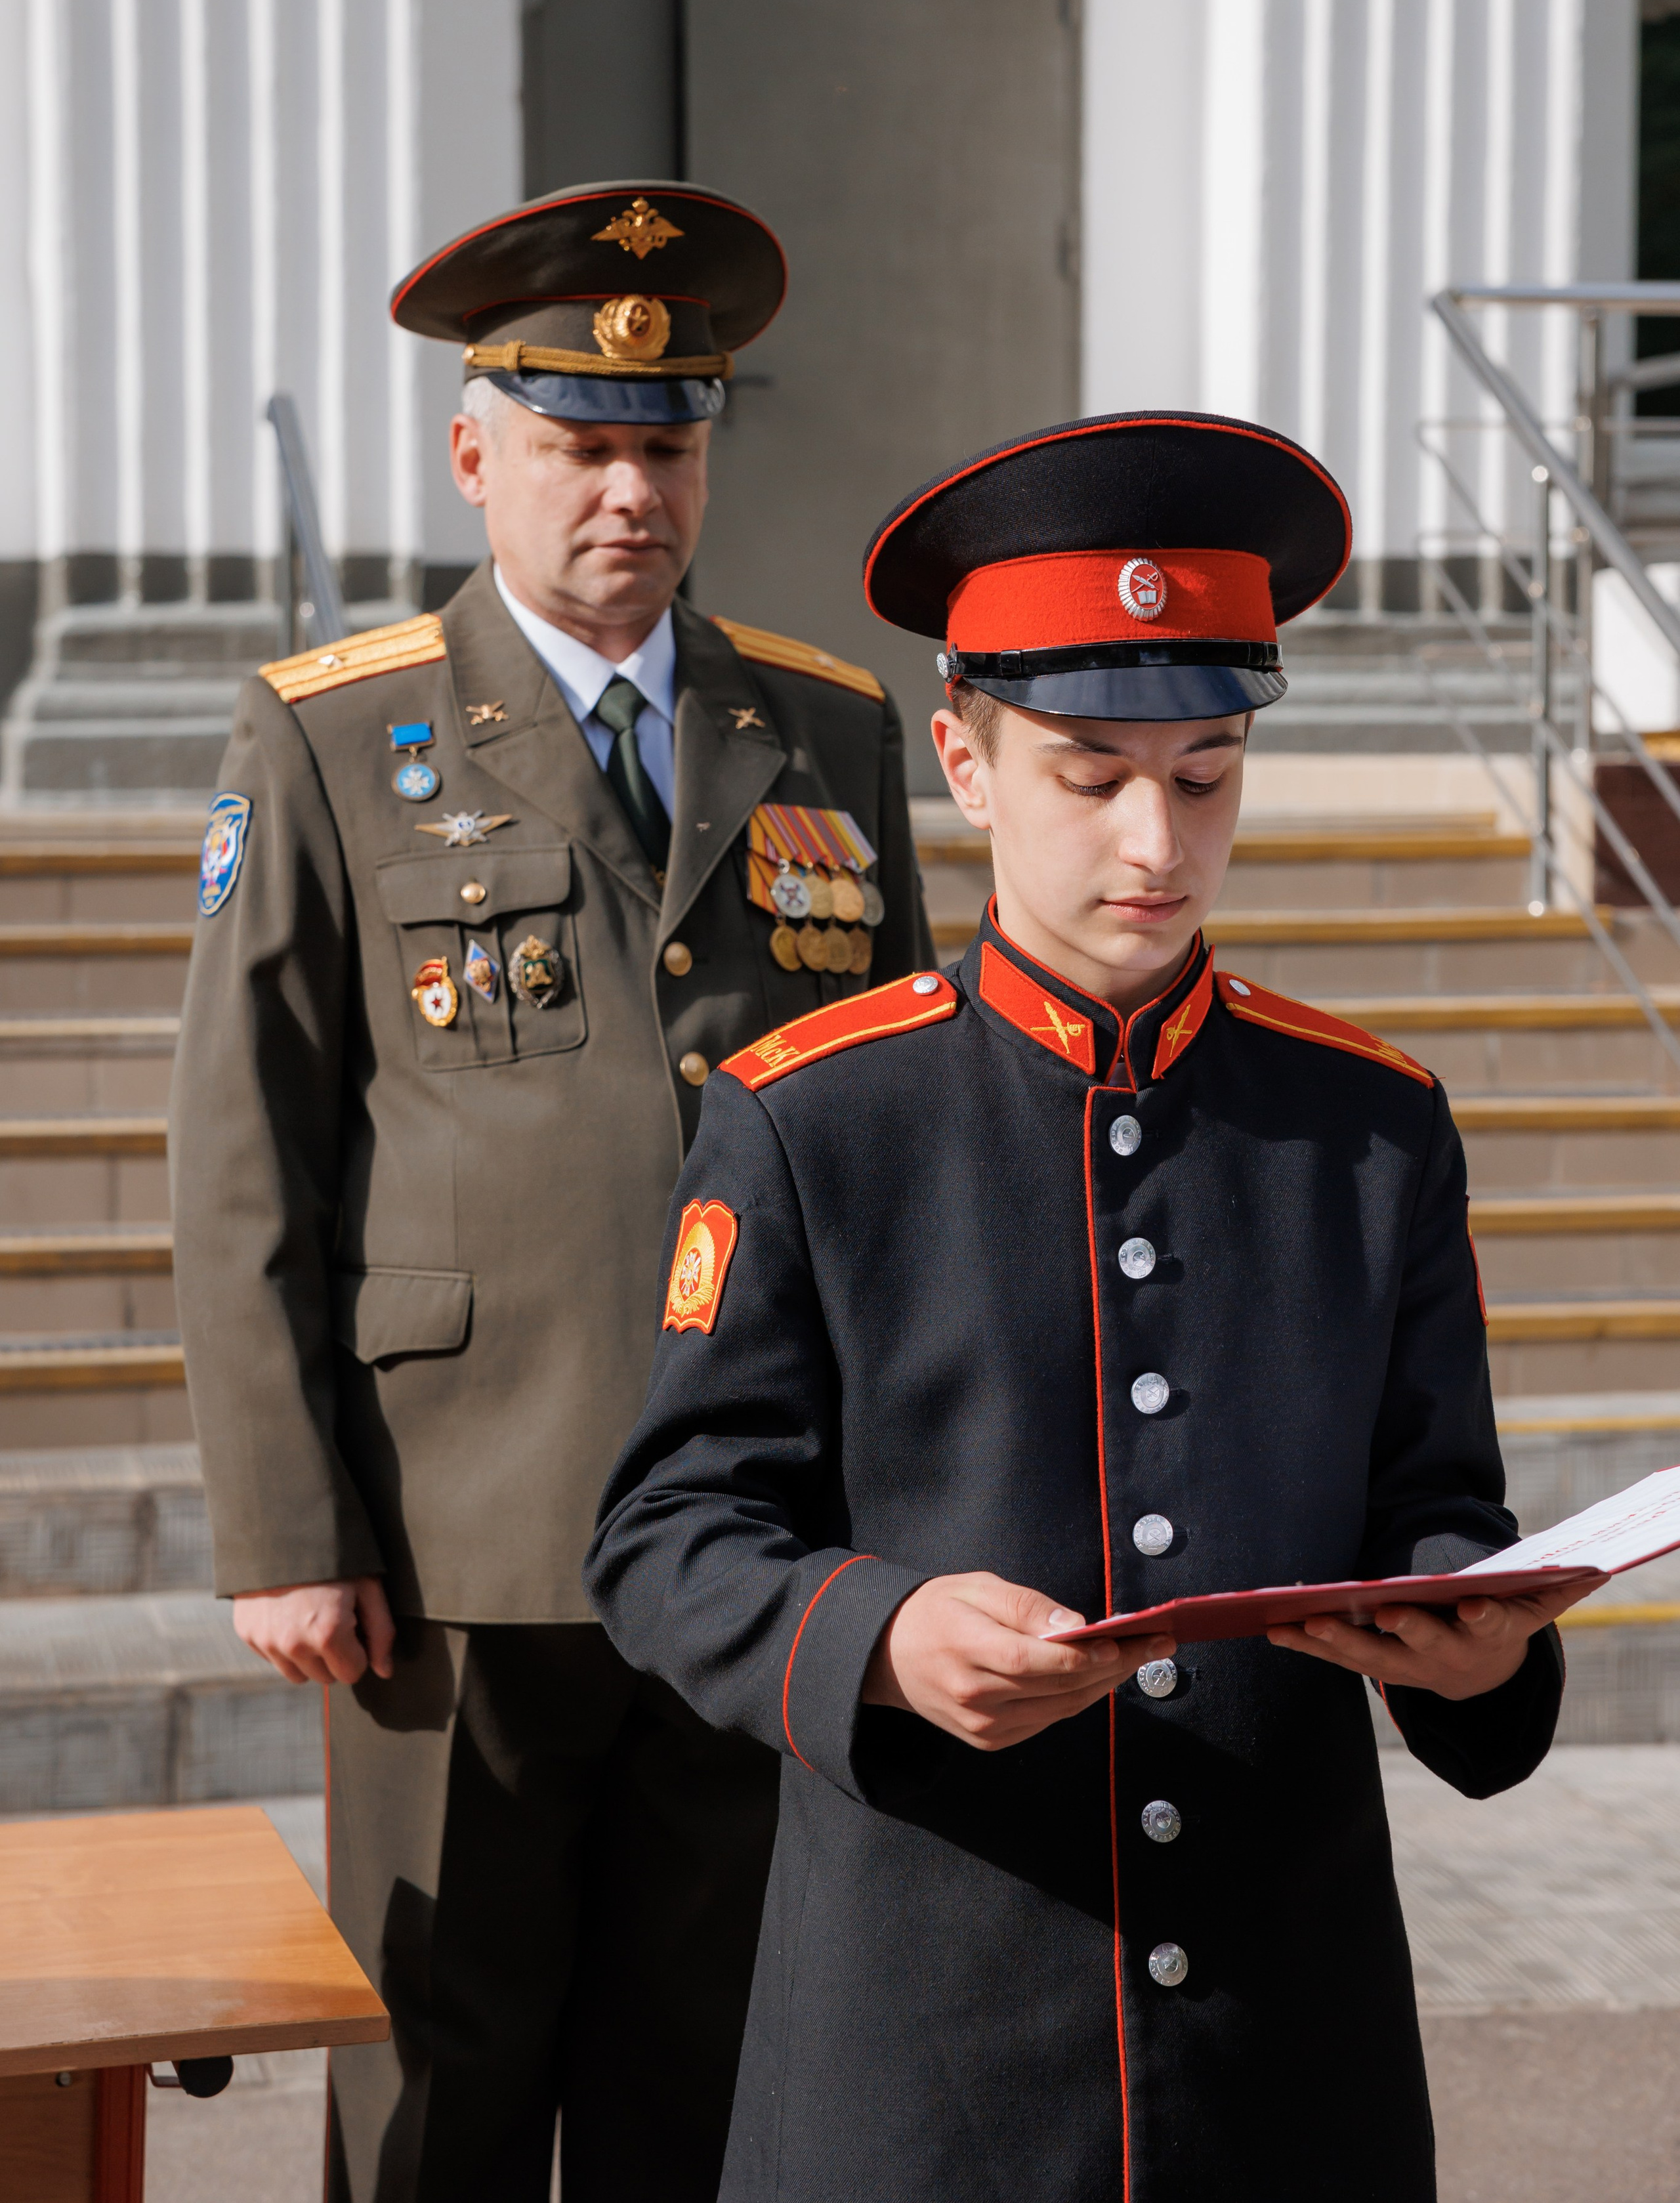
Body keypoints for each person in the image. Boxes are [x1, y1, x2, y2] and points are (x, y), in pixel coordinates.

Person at [585, 412, 1603, 2203]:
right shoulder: (813, 1114)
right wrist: (879, 1633)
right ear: (968, 766)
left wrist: (1482, 1638)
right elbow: (669, 1531)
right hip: (928, 2052)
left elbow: (1436, 1494)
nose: (1157, 837)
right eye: (1091, 772)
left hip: (1284, 2063)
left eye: (1207, 773)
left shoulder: (1369, 1123)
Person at [168, 180, 932, 2203]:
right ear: (475, 453)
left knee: (714, 2060)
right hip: (453, 1538)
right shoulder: (335, 737)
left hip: (760, 1528)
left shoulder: (826, 728)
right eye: (580, 446)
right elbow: (244, 1146)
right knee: (443, 2076)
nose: (627, 491)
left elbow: (900, 1125)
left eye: (665, 446)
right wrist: (284, 1525)